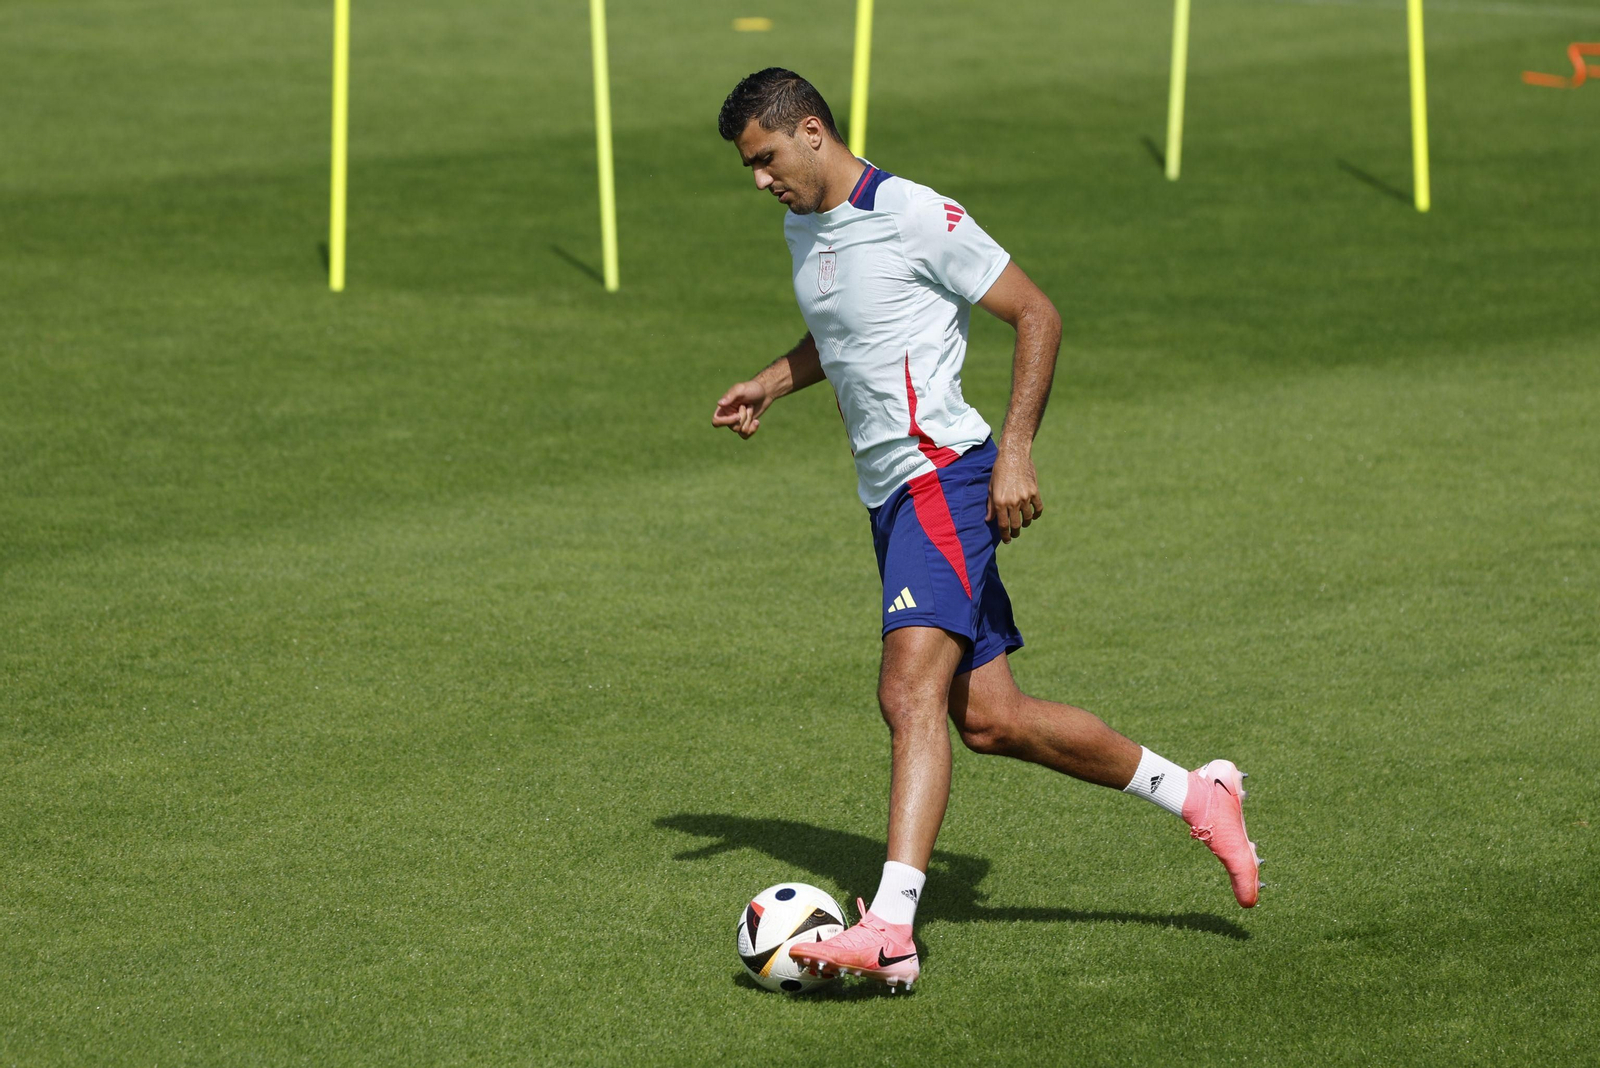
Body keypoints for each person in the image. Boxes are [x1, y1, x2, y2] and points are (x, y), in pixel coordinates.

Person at [711, 68, 1260, 992]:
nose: (761, 180)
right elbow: (848, 331)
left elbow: (1035, 312)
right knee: (993, 720)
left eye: (766, 159)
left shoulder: (917, 212)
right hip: (890, 500)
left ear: (811, 131)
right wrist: (773, 378)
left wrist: (1015, 453)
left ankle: (890, 928)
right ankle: (1199, 794)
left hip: (946, 480)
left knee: (905, 691)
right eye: (749, 169)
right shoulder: (803, 226)